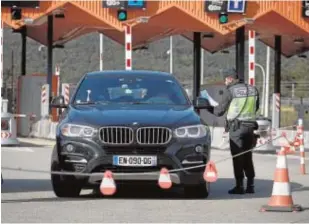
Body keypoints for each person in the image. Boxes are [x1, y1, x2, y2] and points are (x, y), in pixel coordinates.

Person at [203, 68, 260, 194]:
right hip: (250, 127)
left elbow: (219, 112)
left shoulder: (231, 91)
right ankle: (250, 185)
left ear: (230, 78)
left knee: (238, 157)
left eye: (225, 79)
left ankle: (239, 186)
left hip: (236, 128)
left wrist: (207, 106)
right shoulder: (253, 89)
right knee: (248, 156)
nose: (225, 82)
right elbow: (256, 107)